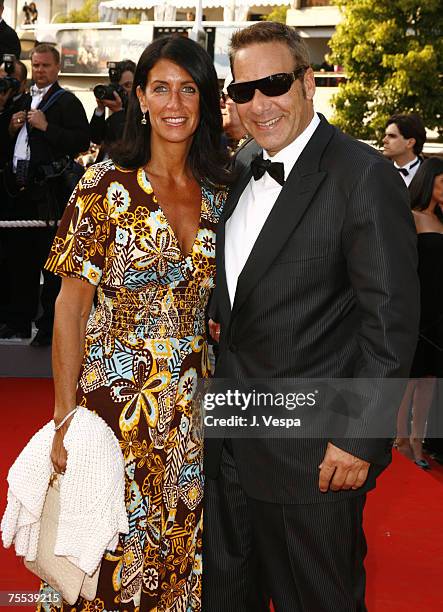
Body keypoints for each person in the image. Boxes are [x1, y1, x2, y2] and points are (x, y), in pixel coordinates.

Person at [202, 22, 420, 612]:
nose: (258, 104)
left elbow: (390, 324)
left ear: (308, 81)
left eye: (273, 83)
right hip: (229, 446)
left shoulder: (361, 175)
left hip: (312, 458)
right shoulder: (243, 169)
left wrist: (357, 438)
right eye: (243, 90)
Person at [43, 35, 230, 611]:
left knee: (181, 559)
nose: (175, 102)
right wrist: (63, 416)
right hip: (111, 410)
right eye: (160, 88)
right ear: (140, 99)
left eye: (189, 89)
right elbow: (70, 308)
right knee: (103, 561)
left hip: (195, 416)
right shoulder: (104, 187)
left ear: (204, 101)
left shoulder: (224, 193)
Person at [0, 44, 89, 346]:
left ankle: (49, 328)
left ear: (57, 68)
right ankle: (18, 322)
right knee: (18, 262)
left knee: (50, 267)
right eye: (36, 65)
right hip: (19, 194)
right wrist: (10, 129)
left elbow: (81, 140)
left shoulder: (68, 102)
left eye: (45, 66)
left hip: (49, 197)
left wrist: (46, 126)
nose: (39, 71)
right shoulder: (20, 100)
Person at [395, 158, 443, 468]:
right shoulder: (409, 217)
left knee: (430, 378)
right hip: (417, 306)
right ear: (429, 182)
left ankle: (417, 439)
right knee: (410, 378)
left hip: (440, 310)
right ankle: (399, 438)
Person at [90, 59, 135, 161]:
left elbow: (127, 145)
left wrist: (118, 112)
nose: (122, 91)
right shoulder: (113, 117)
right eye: (118, 87)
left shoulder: (143, 116)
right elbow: (96, 138)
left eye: (128, 85)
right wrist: (100, 109)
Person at [383, 113, 426, 186]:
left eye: (392, 136)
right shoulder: (379, 171)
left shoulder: (432, 175)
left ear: (410, 143)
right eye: (386, 135)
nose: (384, 140)